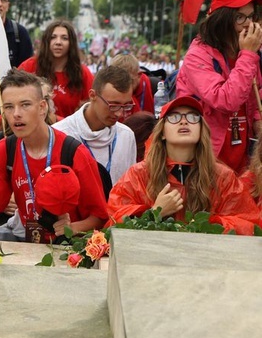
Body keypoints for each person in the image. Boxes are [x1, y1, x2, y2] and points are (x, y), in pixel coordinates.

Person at [0, 70, 108, 243]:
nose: (16, 114)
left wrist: (73, 228)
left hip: (66, 242)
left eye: (25, 105)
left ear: (42, 107)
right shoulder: (2, 151)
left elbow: (100, 217)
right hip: (24, 234)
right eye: (8, 107)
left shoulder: (74, 152)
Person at [108, 96, 259, 234]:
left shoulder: (223, 178)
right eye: (174, 117)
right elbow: (114, 223)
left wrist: (208, 223)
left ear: (201, 130)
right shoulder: (138, 174)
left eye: (193, 117)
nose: (184, 121)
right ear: (162, 133)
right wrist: (155, 213)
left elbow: (250, 225)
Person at [176, 0, 262, 173]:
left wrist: (257, 121)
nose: (248, 24)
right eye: (240, 17)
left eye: (251, 16)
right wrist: (248, 55)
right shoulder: (197, 56)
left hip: (242, 159)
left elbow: (256, 95)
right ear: (221, 21)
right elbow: (225, 100)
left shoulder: (251, 53)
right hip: (205, 160)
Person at [52, 65, 137, 194]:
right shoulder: (59, 134)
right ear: (92, 95)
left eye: (126, 106)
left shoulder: (127, 136)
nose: (119, 113)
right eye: (113, 105)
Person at [19, 20, 94, 119]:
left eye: (64, 38)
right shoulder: (30, 66)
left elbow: (93, 106)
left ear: (71, 43)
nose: (58, 42)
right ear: (47, 41)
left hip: (68, 132)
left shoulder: (83, 73)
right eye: (53, 37)